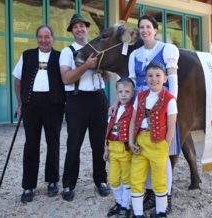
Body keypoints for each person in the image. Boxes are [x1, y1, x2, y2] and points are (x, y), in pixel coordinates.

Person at [109, 14, 180, 212]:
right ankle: (150, 193)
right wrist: (118, 102)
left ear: (155, 29)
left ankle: (166, 195)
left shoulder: (167, 49)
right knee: (142, 152)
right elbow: (129, 84)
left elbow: (172, 80)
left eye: (148, 27)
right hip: (140, 105)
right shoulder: (134, 55)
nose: (145, 30)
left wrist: (170, 104)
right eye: (141, 27)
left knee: (162, 153)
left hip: (160, 103)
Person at [12, 25, 65, 203]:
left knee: (53, 143)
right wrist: (20, 104)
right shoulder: (27, 55)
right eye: (40, 37)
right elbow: (18, 81)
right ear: (37, 39)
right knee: (31, 145)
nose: (44, 40)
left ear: (53, 38)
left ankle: (52, 181)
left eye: (47, 36)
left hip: (54, 105)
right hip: (31, 105)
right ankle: (28, 185)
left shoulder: (60, 56)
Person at [60, 14, 109, 201]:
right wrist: (86, 66)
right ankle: (68, 184)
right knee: (73, 145)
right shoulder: (67, 51)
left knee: (98, 144)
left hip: (98, 99)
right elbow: (67, 78)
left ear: (87, 29)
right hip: (77, 100)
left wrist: (101, 66)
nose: (79, 29)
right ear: (72, 32)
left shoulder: (96, 48)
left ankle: (101, 181)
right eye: (75, 27)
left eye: (82, 26)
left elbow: (107, 78)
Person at [128, 61, 177, 218]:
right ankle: (137, 213)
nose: (153, 79)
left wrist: (165, 146)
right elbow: (133, 121)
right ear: (145, 78)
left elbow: (171, 127)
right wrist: (131, 141)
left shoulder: (169, 99)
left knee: (159, 178)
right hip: (140, 142)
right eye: (150, 75)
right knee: (136, 177)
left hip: (158, 144)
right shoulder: (140, 96)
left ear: (164, 78)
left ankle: (161, 212)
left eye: (158, 75)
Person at [104, 78, 135, 218]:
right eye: (120, 91)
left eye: (127, 92)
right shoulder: (113, 110)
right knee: (114, 179)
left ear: (132, 93)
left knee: (127, 179)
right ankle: (119, 202)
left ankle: (125, 206)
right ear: (117, 93)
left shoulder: (133, 110)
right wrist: (105, 148)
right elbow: (108, 129)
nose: (123, 95)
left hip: (125, 149)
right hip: (112, 149)